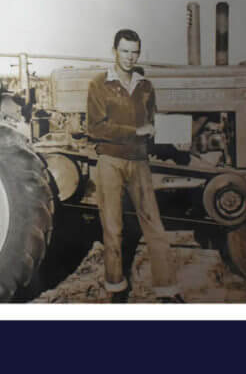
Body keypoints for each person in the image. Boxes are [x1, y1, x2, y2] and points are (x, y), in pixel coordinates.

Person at [88, 28, 184, 303]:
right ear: (114, 51)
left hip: (139, 162)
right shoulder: (99, 84)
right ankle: (116, 287)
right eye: (125, 51)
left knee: (154, 226)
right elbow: (95, 128)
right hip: (110, 161)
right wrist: (136, 131)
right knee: (113, 228)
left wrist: (173, 139)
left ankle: (167, 290)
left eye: (135, 52)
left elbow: (151, 124)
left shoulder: (146, 87)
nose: (130, 57)